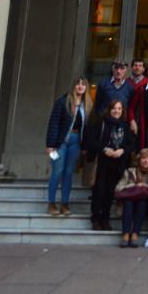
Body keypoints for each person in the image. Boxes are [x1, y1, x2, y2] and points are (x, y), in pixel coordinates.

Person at [46, 77, 93, 216]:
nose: (80, 86)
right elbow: (53, 123)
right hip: (61, 141)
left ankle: (65, 203)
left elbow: (88, 128)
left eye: (83, 84)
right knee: (57, 171)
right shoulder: (63, 102)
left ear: (86, 88)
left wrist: (85, 146)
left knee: (68, 173)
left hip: (76, 141)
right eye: (78, 84)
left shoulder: (88, 105)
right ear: (73, 86)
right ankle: (51, 203)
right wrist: (50, 144)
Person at [85, 99, 134, 230]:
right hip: (102, 162)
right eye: (114, 108)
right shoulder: (101, 123)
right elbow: (91, 141)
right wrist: (105, 149)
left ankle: (105, 219)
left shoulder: (124, 126)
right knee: (99, 191)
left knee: (109, 193)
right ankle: (95, 218)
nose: (116, 111)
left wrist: (122, 150)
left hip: (117, 165)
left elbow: (131, 144)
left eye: (119, 108)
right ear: (109, 109)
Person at [114, 148, 148, 248]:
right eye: (143, 158)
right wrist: (134, 186)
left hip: (146, 204)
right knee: (129, 202)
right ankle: (125, 234)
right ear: (139, 159)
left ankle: (135, 234)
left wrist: (147, 187)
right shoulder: (129, 171)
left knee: (142, 203)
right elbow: (118, 188)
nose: (146, 161)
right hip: (129, 202)